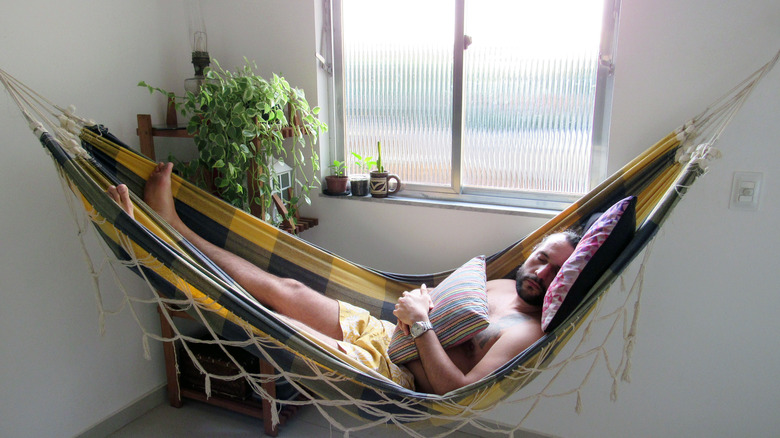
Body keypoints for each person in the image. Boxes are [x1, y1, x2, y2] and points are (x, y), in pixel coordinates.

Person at [107, 162, 578, 395]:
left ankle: (149, 249)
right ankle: (175, 228)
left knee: (273, 324)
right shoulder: (499, 283)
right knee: (284, 289)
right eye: (541, 257)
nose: (541, 271)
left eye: (555, 270)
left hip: (393, 376)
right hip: (382, 333)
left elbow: (456, 393)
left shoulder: (526, 332)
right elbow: (433, 300)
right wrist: (422, 301)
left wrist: (420, 323)